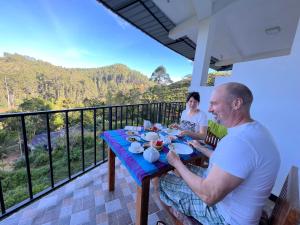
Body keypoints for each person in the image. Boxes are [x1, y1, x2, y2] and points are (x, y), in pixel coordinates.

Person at [159, 82, 280, 225]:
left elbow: (208, 195)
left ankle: (182, 214)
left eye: (214, 104)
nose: (209, 109)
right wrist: (201, 148)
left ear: (236, 103)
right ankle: (183, 205)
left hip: (224, 217)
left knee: (163, 181)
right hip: (237, 206)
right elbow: (231, 163)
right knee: (180, 170)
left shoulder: (240, 141)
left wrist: (177, 163)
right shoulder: (255, 131)